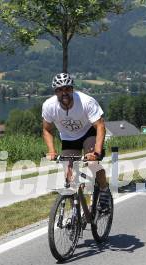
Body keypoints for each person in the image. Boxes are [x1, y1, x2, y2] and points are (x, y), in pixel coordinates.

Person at [42, 72, 111, 212]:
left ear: (72, 89)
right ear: (55, 92)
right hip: (68, 138)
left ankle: (104, 190)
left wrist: (97, 152)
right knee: (69, 175)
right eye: (60, 90)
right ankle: (75, 213)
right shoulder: (49, 106)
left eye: (67, 88)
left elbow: (100, 126)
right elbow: (47, 130)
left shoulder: (86, 102)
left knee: (93, 164)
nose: (64, 93)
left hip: (88, 133)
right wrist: (52, 150)